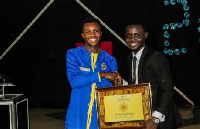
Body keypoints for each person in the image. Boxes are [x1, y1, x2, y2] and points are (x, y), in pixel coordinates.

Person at [124, 18, 181, 129]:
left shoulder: (156, 57)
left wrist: (156, 118)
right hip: (142, 116)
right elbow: (136, 84)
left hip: (160, 120)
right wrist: (121, 82)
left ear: (145, 35)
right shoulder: (130, 57)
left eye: (137, 35)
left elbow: (168, 89)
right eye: (129, 35)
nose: (132, 39)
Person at [65, 17, 121, 129]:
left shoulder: (110, 60)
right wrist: (102, 74)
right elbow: (74, 81)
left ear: (101, 33)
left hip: (100, 117)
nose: (93, 35)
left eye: (96, 31)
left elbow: (111, 90)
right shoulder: (73, 54)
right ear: (82, 35)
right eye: (88, 32)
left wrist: (117, 82)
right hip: (78, 115)